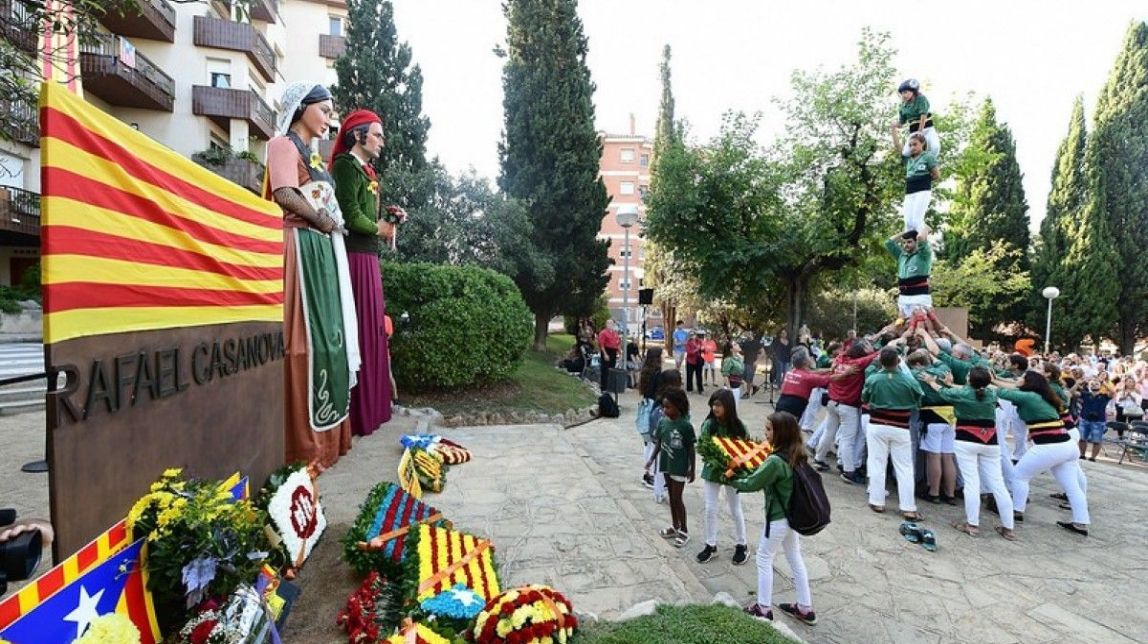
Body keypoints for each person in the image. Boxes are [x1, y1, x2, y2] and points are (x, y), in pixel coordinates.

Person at [267, 82, 357, 469]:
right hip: (300, 247)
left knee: (328, 341)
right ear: (301, 108)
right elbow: (285, 193)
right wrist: (323, 220)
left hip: (321, 251)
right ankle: (302, 446)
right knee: (303, 341)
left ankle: (328, 439)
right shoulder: (281, 145)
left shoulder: (315, 158)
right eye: (323, 110)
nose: (328, 119)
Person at [330, 108, 397, 437]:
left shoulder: (366, 170)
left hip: (368, 257)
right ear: (358, 136)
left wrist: (389, 222)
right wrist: (379, 228)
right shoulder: (345, 166)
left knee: (372, 329)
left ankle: (374, 409)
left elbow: (366, 217)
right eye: (377, 134)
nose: (382, 141)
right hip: (356, 258)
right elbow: (350, 215)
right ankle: (359, 414)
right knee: (360, 329)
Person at [729, 412, 817, 625]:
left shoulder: (776, 461)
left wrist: (732, 477)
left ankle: (763, 608)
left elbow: (753, 483)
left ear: (781, 433)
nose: (765, 432)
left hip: (778, 518)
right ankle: (805, 608)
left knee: (764, 558)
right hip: (793, 516)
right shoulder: (796, 453)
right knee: (795, 558)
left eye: (769, 429)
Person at [919, 366, 1016, 540]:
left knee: (972, 482)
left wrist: (932, 382)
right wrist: (950, 384)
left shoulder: (962, 394)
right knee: (998, 484)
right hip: (990, 441)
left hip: (966, 439)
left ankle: (972, 524)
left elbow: (943, 391)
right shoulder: (992, 394)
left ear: (969, 379)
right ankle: (1008, 527)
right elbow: (968, 390)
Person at [994, 371, 1090, 536]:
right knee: (1073, 487)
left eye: (1022, 378)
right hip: (1066, 445)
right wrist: (995, 379)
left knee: (1019, 476)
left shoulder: (1029, 396)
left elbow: (1002, 392)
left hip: (1049, 446)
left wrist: (990, 381)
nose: (1018, 379)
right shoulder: (1042, 395)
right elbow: (1011, 388)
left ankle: (1017, 510)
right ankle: (1081, 522)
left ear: (1029, 382)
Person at [862, 348, 924, 519]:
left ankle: (877, 500)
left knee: (876, 462)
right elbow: (919, 398)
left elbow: (865, 398)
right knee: (904, 466)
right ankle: (908, 506)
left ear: (881, 361)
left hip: (877, 424)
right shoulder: (908, 381)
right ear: (898, 361)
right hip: (901, 426)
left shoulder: (873, 379)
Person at [695, 389, 749, 566]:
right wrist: (718, 461)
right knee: (710, 508)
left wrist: (735, 464)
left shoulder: (739, 427)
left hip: (733, 472)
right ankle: (710, 545)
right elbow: (703, 446)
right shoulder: (709, 425)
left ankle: (742, 544)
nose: (715, 408)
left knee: (735, 508)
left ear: (729, 406)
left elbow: (746, 449)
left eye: (719, 404)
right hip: (713, 471)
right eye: (713, 404)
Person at [814, 342, 879, 485]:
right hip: (848, 406)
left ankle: (819, 459)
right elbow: (877, 355)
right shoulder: (858, 363)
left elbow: (843, 353)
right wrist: (871, 351)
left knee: (828, 432)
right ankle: (849, 471)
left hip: (832, 402)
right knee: (848, 438)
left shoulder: (839, 359)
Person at [646, 388, 695, 548]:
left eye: (668, 407)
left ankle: (684, 530)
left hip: (679, 467)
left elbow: (690, 448)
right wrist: (652, 459)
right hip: (666, 464)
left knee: (677, 498)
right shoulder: (662, 423)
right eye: (663, 407)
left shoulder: (685, 426)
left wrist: (692, 468)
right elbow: (659, 442)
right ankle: (675, 526)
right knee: (671, 498)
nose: (665, 410)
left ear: (678, 406)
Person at [891, 124, 940, 235]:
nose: (912, 147)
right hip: (909, 192)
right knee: (908, 222)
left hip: (922, 191)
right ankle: (910, 249)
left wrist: (923, 180)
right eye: (910, 145)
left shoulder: (928, 156)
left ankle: (924, 238)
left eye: (915, 144)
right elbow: (897, 146)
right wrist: (893, 130)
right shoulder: (908, 159)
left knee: (916, 221)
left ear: (922, 144)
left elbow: (936, 175)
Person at [648, 369, 684, 504]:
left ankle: (659, 492)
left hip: (660, 436)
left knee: (660, 465)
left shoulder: (659, 397)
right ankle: (666, 490)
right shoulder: (677, 399)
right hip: (672, 436)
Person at [884, 227, 935, 322]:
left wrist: (926, 228)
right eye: (904, 242)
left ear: (916, 242)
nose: (905, 245)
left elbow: (920, 238)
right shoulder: (901, 256)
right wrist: (905, 231)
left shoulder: (924, 254)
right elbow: (888, 243)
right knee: (902, 325)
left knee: (921, 326)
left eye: (909, 242)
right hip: (903, 297)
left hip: (919, 296)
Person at [776, 347, 832, 421]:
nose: (811, 358)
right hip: (794, 407)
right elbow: (830, 379)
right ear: (805, 362)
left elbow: (813, 372)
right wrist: (846, 373)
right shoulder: (808, 378)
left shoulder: (791, 371)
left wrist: (829, 370)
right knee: (788, 429)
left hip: (781, 403)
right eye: (808, 356)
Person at [637, 348, 665, 488]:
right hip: (654, 407)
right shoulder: (657, 374)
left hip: (646, 405)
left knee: (648, 443)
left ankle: (648, 472)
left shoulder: (645, 372)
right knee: (654, 443)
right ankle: (650, 474)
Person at [895, 78, 941, 157]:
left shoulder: (921, 99)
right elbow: (901, 123)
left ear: (913, 92)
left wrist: (920, 132)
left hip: (927, 129)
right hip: (914, 132)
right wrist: (894, 125)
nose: (903, 95)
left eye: (906, 92)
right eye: (902, 93)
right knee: (906, 153)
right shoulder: (902, 106)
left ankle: (930, 163)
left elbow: (923, 116)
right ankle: (917, 164)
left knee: (935, 147)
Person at [1077, 378, 1112, 461]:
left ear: (1100, 386)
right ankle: (1082, 455)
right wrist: (1077, 384)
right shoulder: (1085, 394)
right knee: (1082, 439)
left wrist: (1104, 383)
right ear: (1089, 386)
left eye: (1096, 384)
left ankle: (1093, 457)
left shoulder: (1104, 396)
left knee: (1097, 440)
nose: (1094, 385)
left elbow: (1113, 392)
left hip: (1098, 421)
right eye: (1092, 384)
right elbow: (1072, 393)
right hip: (1085, 419)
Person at [598, 319, 622, 391]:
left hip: (613, 352)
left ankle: (610, 386)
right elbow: (601, 344)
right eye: (608, 323)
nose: (610, 325)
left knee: (612, 369)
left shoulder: (615, 333)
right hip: (606, 350)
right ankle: (603, 387)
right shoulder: (603, 333)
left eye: (611, 324)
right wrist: (605, 354)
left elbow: (617, 343)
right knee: (605, 369)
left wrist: (620, 352)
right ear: (606, 324)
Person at [721, 342, 746, 407]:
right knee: (729, 409)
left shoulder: (739, 358)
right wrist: (729, 390)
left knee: (734, 408)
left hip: (736, 388)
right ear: (731, 349)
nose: (738, 345)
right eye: (735, 344)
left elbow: (737, 372)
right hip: (731, 388)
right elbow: (725, 375)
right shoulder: (728, 359)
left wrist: (742, 381)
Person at [685, 330, 705, 394]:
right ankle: (689, 389)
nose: (693, 336)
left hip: (698, 360)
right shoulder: (688, 342)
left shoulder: (699, 341)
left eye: (694, 334)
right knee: (689, 376)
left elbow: (703, 349)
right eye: (691, 335)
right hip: (690, 361)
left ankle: (700, 389)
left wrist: (702, 349)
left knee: (699, 376)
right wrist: (697, 349)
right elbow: (689, 352)